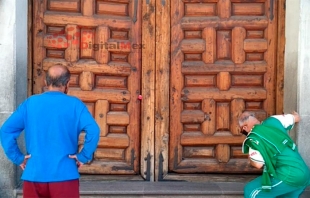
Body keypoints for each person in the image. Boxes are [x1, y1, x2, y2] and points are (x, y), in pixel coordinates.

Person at [0, 65, 100, 198]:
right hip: (65, 175)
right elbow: (94, 130)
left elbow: (6, 130)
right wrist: (83, 156)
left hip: (34, 174)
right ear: (67, 83)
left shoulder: (30, 103)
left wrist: (18, 157)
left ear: (46, 82)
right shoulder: (75, 104)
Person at [239, 111, 310, 198]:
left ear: (245, 128)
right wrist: (295, 115)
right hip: (304, 173)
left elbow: (258, 164)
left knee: (251, 191)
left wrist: (250, 159)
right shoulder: (274, 120)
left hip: (289, 175)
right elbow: (296, 118)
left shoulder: (254, 137)